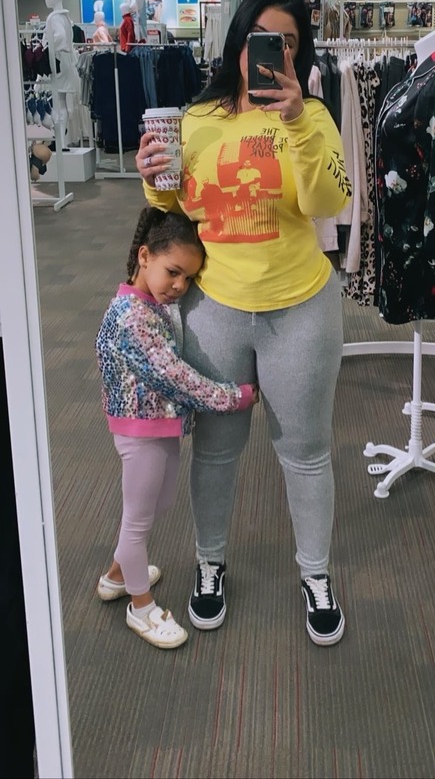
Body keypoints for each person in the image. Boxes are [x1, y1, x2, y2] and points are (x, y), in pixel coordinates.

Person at [136, 0, 352, 646]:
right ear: (238, 42)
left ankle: (315, 574)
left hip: (301, 309)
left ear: (298, 52)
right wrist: (152, 176)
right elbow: (177, 208)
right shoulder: (198, 119)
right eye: (263, 38)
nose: (273, 53)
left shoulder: (313, 115)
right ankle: (210, 563)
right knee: (216, 451)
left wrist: (296, 121)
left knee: (306, 452)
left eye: (287, 43)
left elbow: (327, 203)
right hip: (216, 310)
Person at [95, 206, 258, 650]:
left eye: (188, 278)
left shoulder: (153, 305)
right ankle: (141, 608)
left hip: (160, 426)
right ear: (144, 256)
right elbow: (177, 377)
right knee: (138, 521)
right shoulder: (132, 317)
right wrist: (236, 396)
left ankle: (117, 576)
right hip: (139, 432)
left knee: (156, 505)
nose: (180, 286)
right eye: (173, 272)